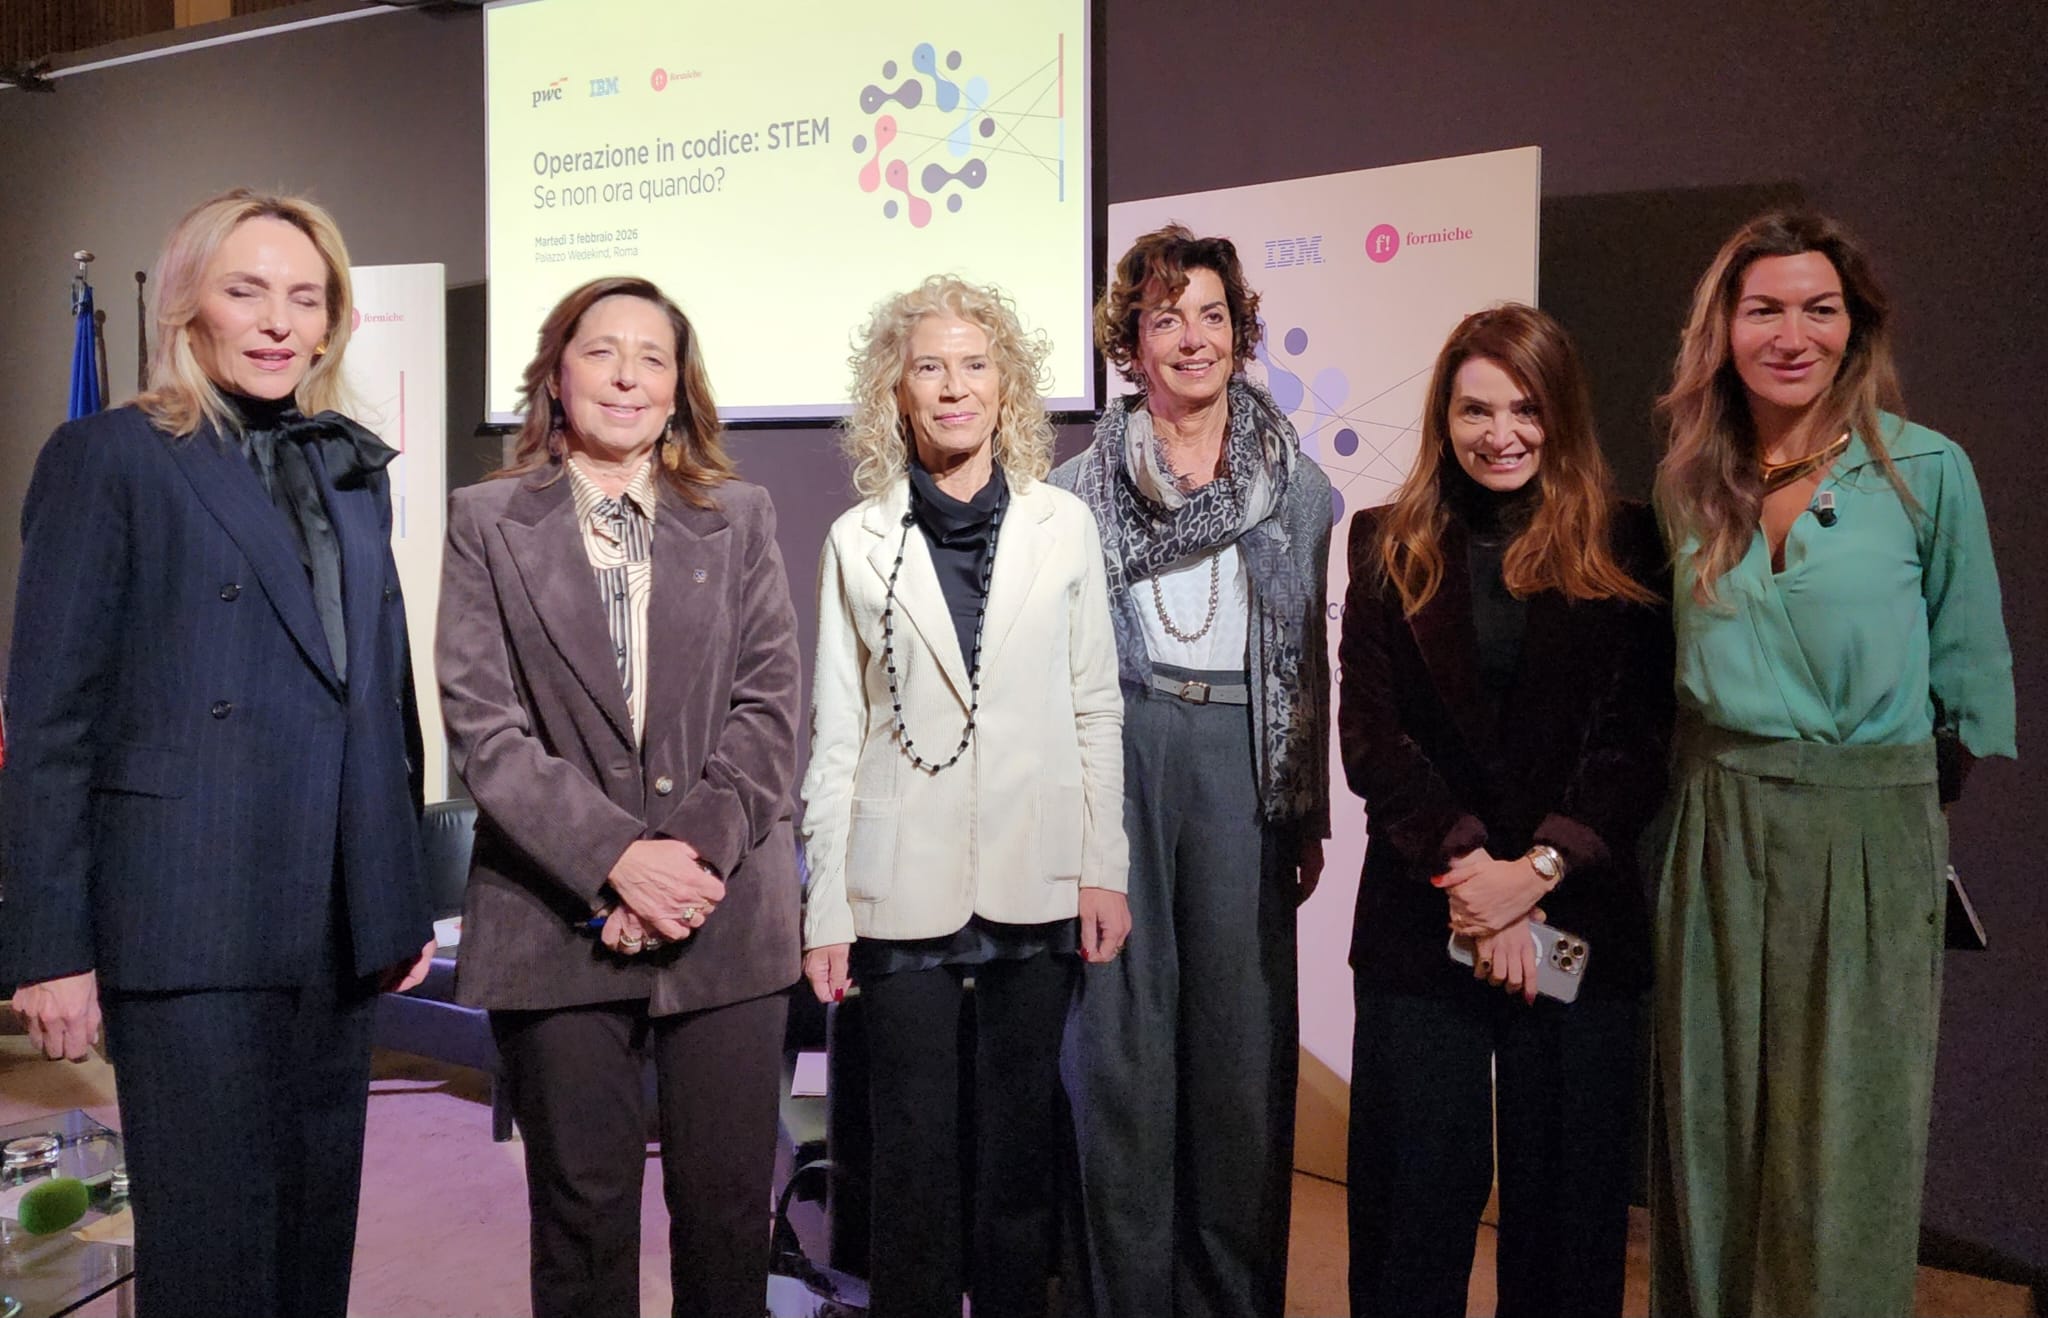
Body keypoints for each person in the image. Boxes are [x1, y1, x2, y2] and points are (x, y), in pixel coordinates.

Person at [0, 188, 434, 1318]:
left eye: (307, 298)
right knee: (212, 1258)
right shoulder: (107, 457)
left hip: (332, 923)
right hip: (188, 915)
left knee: (311, 1241)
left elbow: (379, 695)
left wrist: (392, 896)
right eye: (248, 291)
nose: (280, 322)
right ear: (189, 302)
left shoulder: (350, 466)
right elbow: (48, 720)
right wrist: (49, 946)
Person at [1650, 209, 2015, 1318]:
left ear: (1855, 326)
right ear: (1723, 328)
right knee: (1710, 1118)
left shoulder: (1926, 471)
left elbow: (1968, 679)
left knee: (1847, 1132)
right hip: (1717, 823)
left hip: (1868, 830)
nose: (1791, 334)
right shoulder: (1686, 481)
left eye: (1819, 308)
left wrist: (1886, 820)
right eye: (1763, 309)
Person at [436, 275, 803, 1317]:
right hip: (552, 918)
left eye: (653, 357)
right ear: (557, 373)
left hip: (722, 914)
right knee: (583, 1220)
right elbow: (485, 730)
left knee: (726, 1217)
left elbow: (771, 707)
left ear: (680, 386)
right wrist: (615, 861)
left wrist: (683, 861)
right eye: (602, 351)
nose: (628, 376)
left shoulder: (740, 516)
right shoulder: (484, 521)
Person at [800, 275, 1129, 1318]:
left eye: (975, 365)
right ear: (895, 392)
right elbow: (837, 736)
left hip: (1038, 873)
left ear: (1006, 385)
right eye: (930, 368)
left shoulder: (1063, 526)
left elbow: (1095, 707)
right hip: (901, 884)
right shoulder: (855, 540)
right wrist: (825, 905)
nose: (954, 387)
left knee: (1019, 1157)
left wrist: (1103, 868)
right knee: (910, 1163)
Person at [1338, 304, 1672, 1318]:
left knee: (1570, 1221)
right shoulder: (1382, 543)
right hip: (1422, 914)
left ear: (1559, 413)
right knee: (1411, 1211)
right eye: (1474, 410)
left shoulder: (1627, 541)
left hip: (1578, 918)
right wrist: (1471, 879)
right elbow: (1373, 740)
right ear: (1443, 417)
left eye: (1525, 409)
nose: (1500, 434)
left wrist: (1534, 876)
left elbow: (1635, 740)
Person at [1052, 225, 1330, 1318]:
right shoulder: (1074, 494)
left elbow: (1309, 654)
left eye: (1212, 314)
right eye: (1165, 318)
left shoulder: (1294, 486)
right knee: (1119, 1048)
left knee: (1238, 1056)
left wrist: (1302, 804)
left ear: (1239, 330)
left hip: (1241, 767)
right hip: (1118, 750)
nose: (1193, 338)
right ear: (1131, 343)